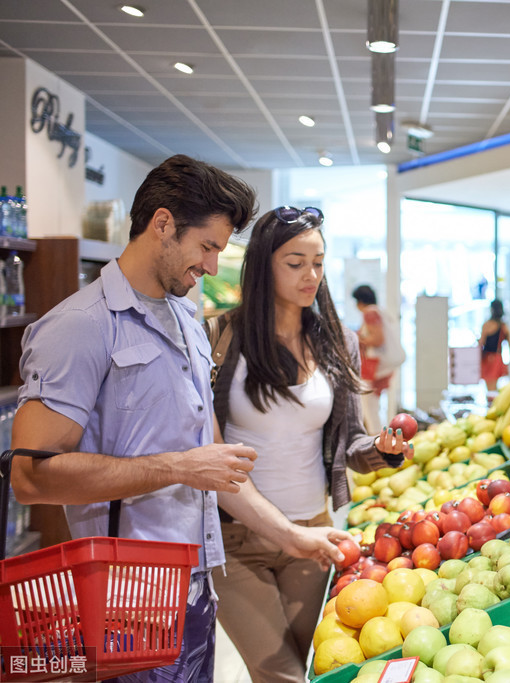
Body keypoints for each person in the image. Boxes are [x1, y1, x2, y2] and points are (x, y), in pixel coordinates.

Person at [8, 155, 407, 683]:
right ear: (163, 224)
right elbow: (30, 477)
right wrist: (177, 467)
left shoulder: (186, 322)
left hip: (196, 586)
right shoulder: (80, 327)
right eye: (208, 247)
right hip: (127, 600)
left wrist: (291, 535)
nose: (214, 267)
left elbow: (214, 467)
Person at [206, 208, 409, 683]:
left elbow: (351, 443)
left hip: (314, 531)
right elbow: (204, 445)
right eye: (295, 262)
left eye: (318, 262)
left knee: (323, 666)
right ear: (263, 265)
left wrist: (382, 448)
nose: (310, 275)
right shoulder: (218, 337)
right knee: (279, 674)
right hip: (236, 541)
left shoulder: (337, 340)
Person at [352, 284, 397, 433]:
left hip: (374, 367)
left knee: (369, 406)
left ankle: (375, 440)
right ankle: (377, 437)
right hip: (381, 366)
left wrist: (358, 339)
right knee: (372, 406)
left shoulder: (369, 313)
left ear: (360, 301)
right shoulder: (379, 312)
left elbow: (378, 339)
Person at [480, 299, 510, 391]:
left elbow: (481, 343)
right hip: (497, 358)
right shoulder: (504, 327)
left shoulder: (486, 325)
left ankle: (491, 403)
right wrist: (509, 364)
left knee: (489, 387)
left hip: (486, 358)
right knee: (493, 387)